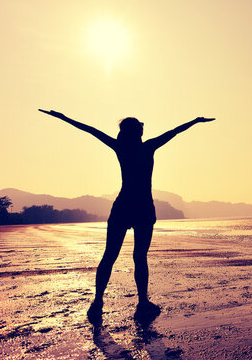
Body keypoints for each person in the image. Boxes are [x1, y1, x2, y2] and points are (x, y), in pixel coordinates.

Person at [39, 109, 214, 321]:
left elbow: (90, 130)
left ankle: (98, 302)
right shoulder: (148, 146)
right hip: (143, 207)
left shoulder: (120, 147)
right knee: (139, 257)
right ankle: (142, 303)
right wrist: (195, 120)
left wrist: (64, 117)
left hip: (122, 206)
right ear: (139, 132)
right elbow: (174, 131)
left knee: (109, 256)